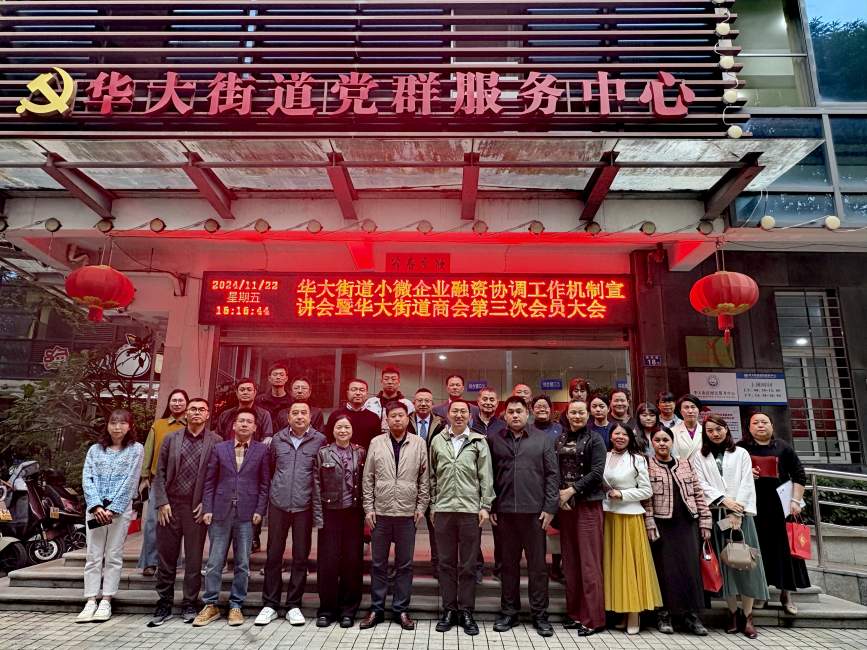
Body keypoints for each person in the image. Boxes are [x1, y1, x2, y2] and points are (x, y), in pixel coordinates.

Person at [691, 414, 768, 639]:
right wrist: (724, 501)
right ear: (705, 434)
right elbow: (700, 483)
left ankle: (748, 616)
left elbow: (747, 482)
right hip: (718, 514)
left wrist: (737, 510)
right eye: (710, 430)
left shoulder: (741, 453)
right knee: (726, 565)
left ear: (726, 429)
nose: (715, 434)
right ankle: (732, 612)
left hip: (741, 516)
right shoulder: (700, 456)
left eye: (719, 429)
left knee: (746, 564)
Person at [488, 396, 558, 638]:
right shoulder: (495, 440)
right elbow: (489, 476)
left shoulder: (543, 439)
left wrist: (550, 508)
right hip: (505, 513)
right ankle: (509, 612)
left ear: (527, 413)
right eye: (511, 412)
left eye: (519, 411)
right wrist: (492, 505)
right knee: (508, 566)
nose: (515, 415)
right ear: (505, 415)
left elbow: (552, 474)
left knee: (538, 567)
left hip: (535, 514)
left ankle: (540, 614)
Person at [149, 398, 221, 627]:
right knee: (166, 557)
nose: (197, 412)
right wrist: (162, 502)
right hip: (170, 506)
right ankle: (164, 602)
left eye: (201, 409)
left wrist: (207, 504)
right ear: (186, 413)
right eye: (193, 409)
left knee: (194, 558)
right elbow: (159, 472)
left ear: (208, 414)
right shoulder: (171, 439)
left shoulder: (216, 441)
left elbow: (217, 477)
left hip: (195, 508)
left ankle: (190, 602)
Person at [194, 408, 270, 627]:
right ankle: (210, 604)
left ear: (255, 427)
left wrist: (260, 510)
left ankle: (236, 605)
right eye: (241, 421)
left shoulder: (262, 451)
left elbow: (265, 484)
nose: (244, 424)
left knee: (243, 562)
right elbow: (210, 481)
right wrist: (208, 508)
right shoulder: (220, 448)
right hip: (220, 511)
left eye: (249, 422)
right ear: (234, 425)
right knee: (215, 561)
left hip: (247, 513)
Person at [360, 402, 430, 631]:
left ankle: (401, 610)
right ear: (386, 420)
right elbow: (368, 477)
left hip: (407, 514)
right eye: (393, 416)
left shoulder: (418, 443)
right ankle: (377, 609)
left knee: (405, 565)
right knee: (378, 564)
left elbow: (424, 479)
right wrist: (368, 508)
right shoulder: (376, 442)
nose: (397, 419)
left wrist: (421, 506)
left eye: (401, 415)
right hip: (380, 513)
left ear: (408, 419)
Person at [256, 401, 325, 627]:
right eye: (295, 413)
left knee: (300, 556)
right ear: (288, 418)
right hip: (278, 503)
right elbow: (271, 469)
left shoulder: (320, 440)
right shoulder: (277, 439)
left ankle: (294, 605)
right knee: (273, 555)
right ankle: (270, 604)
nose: (299, 416)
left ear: (310, 417)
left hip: (304, 505)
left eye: (304, 413)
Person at [429, 400, 494, 636]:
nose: (458, 415)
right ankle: (449, 610)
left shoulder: (478, 441)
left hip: (469, 511)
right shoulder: (437, 441)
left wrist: (485, 505)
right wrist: (433, 504)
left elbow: (486, 475)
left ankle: (466, 611)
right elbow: (432, 476)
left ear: (470, 416)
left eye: (463, 412)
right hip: (444, 509)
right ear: (448, 414)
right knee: (445, 563)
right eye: (454, 411)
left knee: (468, 564)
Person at [739, 412, 810, 615]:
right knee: (759, 549)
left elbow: (799, 475)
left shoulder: (783, 447)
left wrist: (795, 501)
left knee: (785, 550)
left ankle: (787, 594)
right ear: (749, 427)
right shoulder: (741, 448)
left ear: (772, 425)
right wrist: (748, 473)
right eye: (756, 422)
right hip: (754, 506)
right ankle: (761, 593)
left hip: (781, 506)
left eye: (764, 422)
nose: (760, 425)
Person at [642, 427, 711, 636]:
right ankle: (664, 614)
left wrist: (705, 521)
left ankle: (691, 615)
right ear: (652, 443)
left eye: (666, 440)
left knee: (690, 569)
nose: (662, 443)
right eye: (657, 440)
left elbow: (698, 493)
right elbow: (647, 499)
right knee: (664, 570)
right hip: (662, 523)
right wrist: (649, 522)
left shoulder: (685, 464)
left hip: (687, 522)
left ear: (672, 442)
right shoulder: (647, 465)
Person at [77, 409, 144, 623]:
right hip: (95, 510)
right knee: (93, 555)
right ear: (107, 425)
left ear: (129, 426)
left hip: (120, 510)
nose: (117, 427)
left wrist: (113, 508)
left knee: (113, 554)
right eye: (113, 423)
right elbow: (87, 478)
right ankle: (90, 600)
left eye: (122, 423)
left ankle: (106, 599)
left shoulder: (136, 449)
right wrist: (96, 506)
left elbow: (131, 480)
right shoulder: (95, 450)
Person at [602, 423, 661, 635]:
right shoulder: (604, 456)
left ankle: (634, 613)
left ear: (630, 437)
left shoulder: (637, 459)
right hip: (607, 515)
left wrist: (623, 494)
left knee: (630, 567)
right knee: (614, 566)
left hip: (629, 517)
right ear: (610, 436)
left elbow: (646, 491)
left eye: (624, 434)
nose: (620, 437)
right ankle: (621, 611)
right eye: (616, 433)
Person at [555, 399, 606, 636]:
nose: (577, 416)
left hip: (587, 505)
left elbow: (597, 473)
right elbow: (555, 470)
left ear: (588, 415)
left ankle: (593, 619)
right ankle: (575, 614)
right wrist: (561, 495)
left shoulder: (595, 439)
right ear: (567, 415)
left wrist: (572, 490)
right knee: (571, 563)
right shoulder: (560, 439)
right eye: (573, 412)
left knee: (589, 563)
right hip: (566, 507)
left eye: (581, 412)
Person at [313, 415, 366, 628]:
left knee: (352, 563)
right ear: (332, 430)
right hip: (330, 514)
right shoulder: (323, 453)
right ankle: (326, 610)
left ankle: (348, 611)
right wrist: (318, 516)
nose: (343, 430)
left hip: (353, 514)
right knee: (328, 563)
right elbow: (316, 485)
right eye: (339, 427)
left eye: (346, 427)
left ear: (352, 430)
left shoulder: (360, 452)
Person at [137, 388, 187, 576]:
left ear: (186, 404)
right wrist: (144, 477)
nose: (177, 404)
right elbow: (148, 450)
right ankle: (150, 562)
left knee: (176, 524)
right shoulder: (158, 425)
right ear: (169, 403)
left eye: (181, 401)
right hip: (158, 480)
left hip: (181, 483)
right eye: (174, 400)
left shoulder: (189, 425)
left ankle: (173, 562)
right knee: (152, 522)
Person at [407, 387, 446, 574]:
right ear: (414, 403)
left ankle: (438, 565)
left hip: (434, 479)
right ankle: (404, 565)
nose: (423, 404)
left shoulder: (442, 423)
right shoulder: (405, 421)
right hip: (409, 479)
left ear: (432, 404)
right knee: (407, 527)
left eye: (427, 401)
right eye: (419, 400)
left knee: (436, 526)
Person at [470, 387, 506, 580]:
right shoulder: (469, 424)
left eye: (492, 399)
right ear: (478, 401)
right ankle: (476, 567)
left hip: (498, 483)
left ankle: (500, 568)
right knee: (472, 530)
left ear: (497, 402)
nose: (488, 403)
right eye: (485, 399)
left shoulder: (503, 426)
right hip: (472, 483)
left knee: (500, 529)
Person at [324, 378, 381, 450]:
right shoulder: (335, 415)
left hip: (366, 456)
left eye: (362, 390)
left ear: (366, 394)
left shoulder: (374, 418)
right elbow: (329, 440)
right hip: (339, 456)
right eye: (354, 389)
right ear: (347, 393)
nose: (358, 393)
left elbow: (376, 444)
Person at [215, 378, 273, 442]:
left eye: (249, 390)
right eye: (242, 390)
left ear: (255, 393)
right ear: (237, 393)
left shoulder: (264, 415)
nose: (245, 392)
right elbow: (218, 438)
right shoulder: (225, 415)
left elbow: (266, 440)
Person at [363, 366, 415, 434]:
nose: (390, 382)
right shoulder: (370, 403)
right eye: (386, 379)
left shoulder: (407, 404)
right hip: (373, 438)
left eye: (393, 379)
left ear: (399, 382)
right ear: (381, 381)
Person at [671, 394, 703, 460]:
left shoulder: (706, 431)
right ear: (680, 411)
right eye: (686, 407)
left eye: (693, 407)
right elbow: (673, 456)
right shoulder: (672, 432)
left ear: (698, 410)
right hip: (680, 466)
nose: (690, 411)